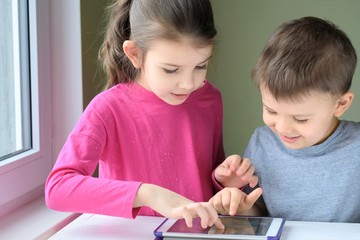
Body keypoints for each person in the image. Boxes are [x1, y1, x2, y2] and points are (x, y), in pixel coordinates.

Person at [45, 0, 260, 229]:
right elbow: (58, 188)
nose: (188, 84)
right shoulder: (107, 108)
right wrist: (147, 193)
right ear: (135, 54)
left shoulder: (210, 99)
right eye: (171, 69)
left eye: (200, 66)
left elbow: (204, 171)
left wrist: (222, 180)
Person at [214, 16, 360, 222]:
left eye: (300, 119)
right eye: (271, 111)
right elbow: (259, 214)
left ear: (340, 104)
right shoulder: (261, 143)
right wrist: (239, 204)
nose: (282, 127)